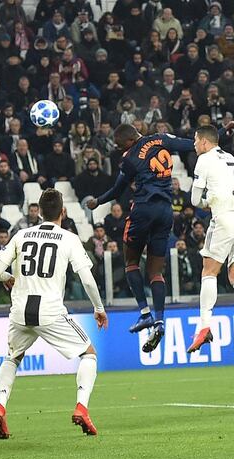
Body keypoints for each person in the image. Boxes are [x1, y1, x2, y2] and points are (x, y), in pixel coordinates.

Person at [0, 189, 108, 439]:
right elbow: (86, 279)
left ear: (39, 212)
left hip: (20, 311)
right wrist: (98, 308)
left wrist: (10, 277)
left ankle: (0, 407)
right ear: (62, 212)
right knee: (89, 354)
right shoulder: (69, 239)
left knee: (12, 358)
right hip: (50, 312)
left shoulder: (21, 235)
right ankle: (81, 408)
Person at [85, 122, 193, 353]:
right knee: (156, 272)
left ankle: (145, 314)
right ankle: (160, 320)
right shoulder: (162, 138)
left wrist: (97, 202)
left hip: (144, 208)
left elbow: (117, 190)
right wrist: (222, 132)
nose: (118, 148)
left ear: (128, 141)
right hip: (166, 211)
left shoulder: (131, 157)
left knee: (131, 261)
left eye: (118, 145)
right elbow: (192, 143)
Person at [187, 124, 234, 354]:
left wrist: (207, 200)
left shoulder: (204, 160)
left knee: (209, 272)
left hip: (224, 219)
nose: (193, 144)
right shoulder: (232, 158)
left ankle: (204, 326)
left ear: (204, 142)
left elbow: (193, 200)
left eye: (195, 140)